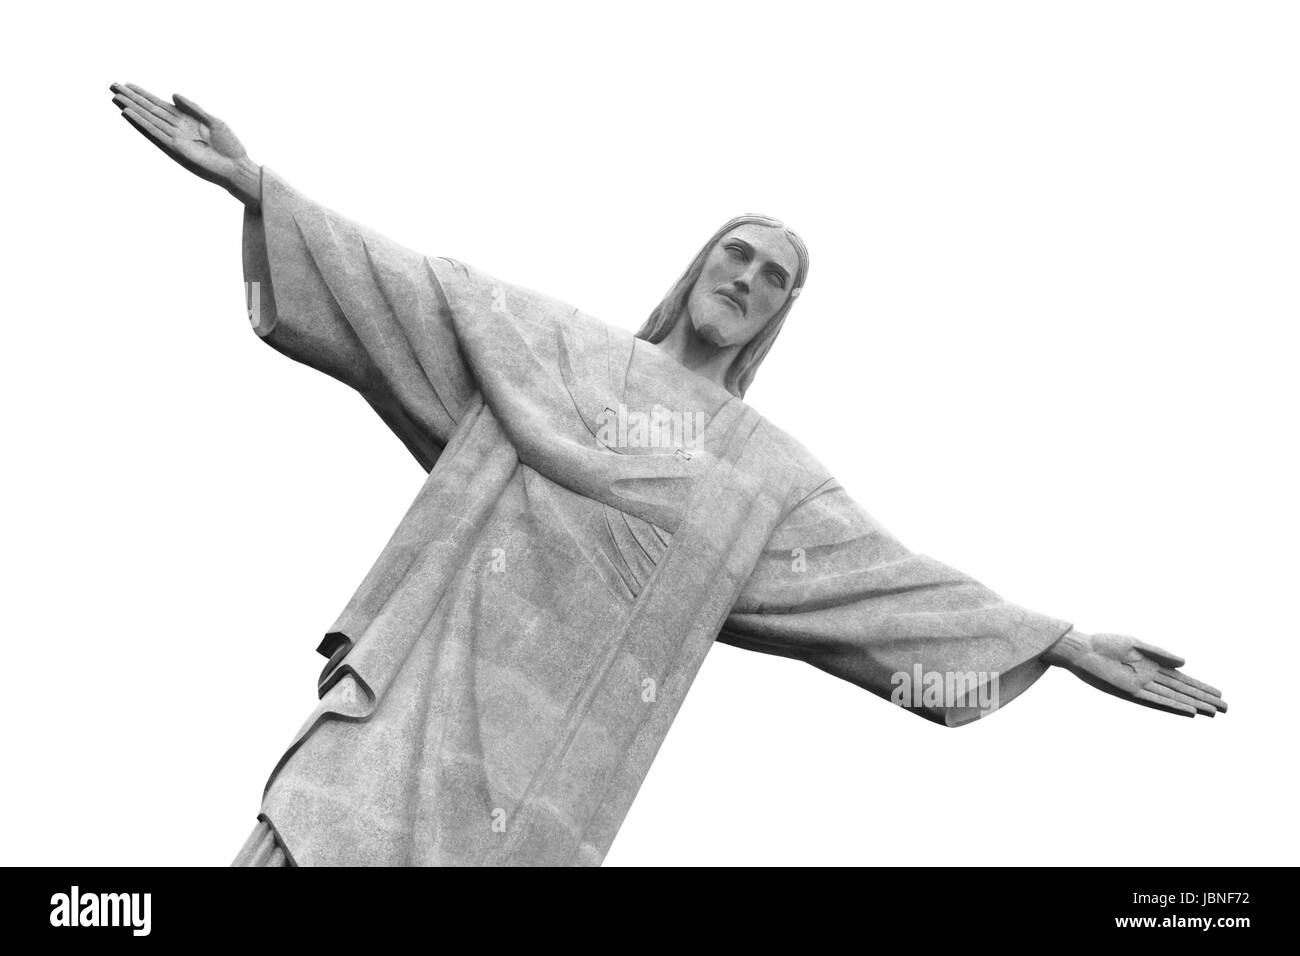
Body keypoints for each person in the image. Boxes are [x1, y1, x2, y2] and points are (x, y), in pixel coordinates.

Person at [109, 83, 1227, 867]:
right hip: (404, 719)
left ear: (780, 315)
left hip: (533, 795)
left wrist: (1060, 641)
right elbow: (406, 288)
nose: (745, 277)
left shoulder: (761, 480)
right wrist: (256, 186)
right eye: (735, 254)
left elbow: (893, 586)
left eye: (772, 276)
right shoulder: (557, 348)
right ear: (699, 265)